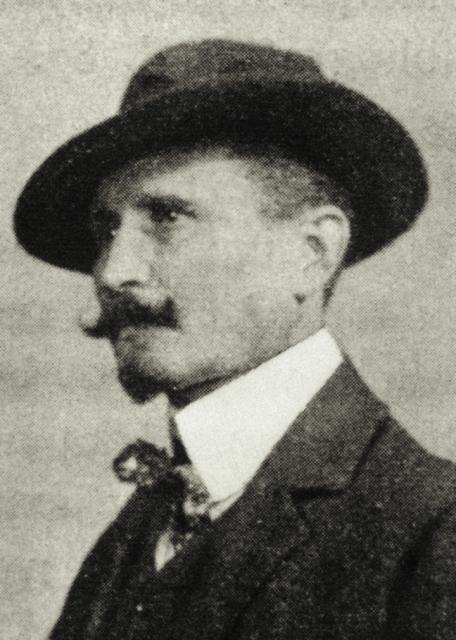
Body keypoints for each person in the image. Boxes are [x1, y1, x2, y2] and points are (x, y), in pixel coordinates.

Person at [14, 39, 456, 639]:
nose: (114, 272)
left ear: (311, 253)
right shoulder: (133, 535)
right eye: (106, 229)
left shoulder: (433, 533)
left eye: (167, 218)